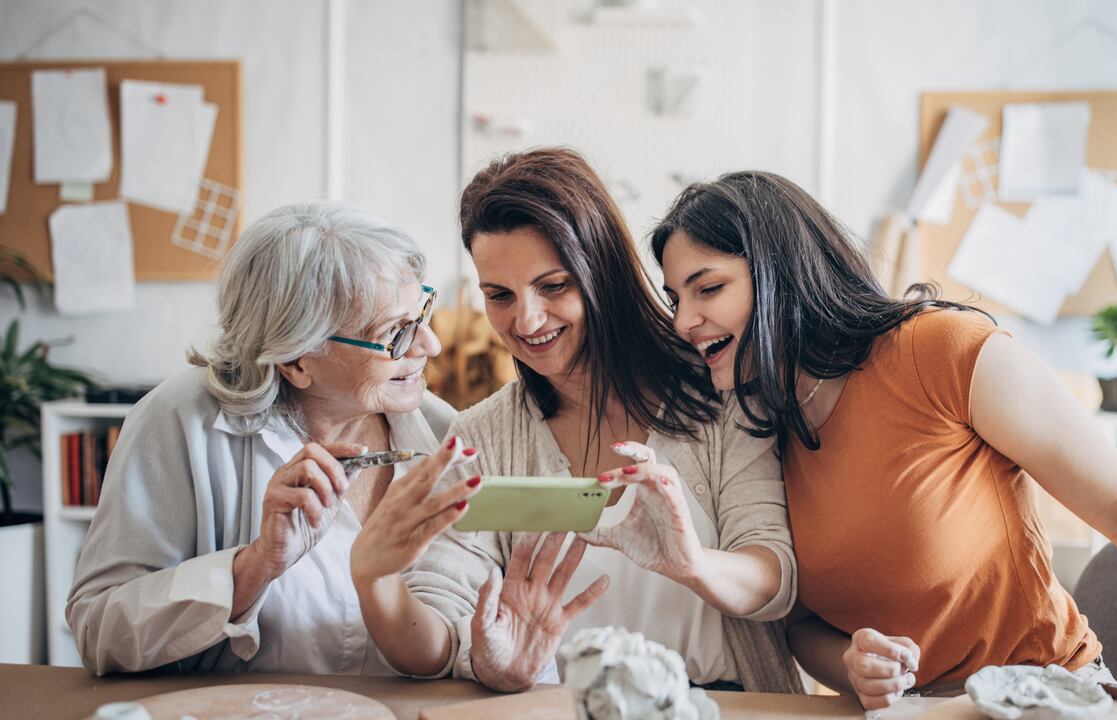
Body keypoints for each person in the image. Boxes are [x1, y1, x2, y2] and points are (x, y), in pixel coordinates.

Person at [650, 170, 1117, 708]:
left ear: (781, 273)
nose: (684, 321)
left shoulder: (940, 352)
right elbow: (800, 622)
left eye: (709, 288)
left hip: (1042, 700)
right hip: (910, 716)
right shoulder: (762, 422)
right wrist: (853, 665)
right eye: (676, 298)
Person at [358, 147, 803, 694]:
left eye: (553, 286)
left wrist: (692, 563)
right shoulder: (480, 438)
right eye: (500, 295)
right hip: (561, 708)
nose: (527, 320)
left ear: (603, 273)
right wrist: (394, 594)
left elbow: (775, 575)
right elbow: (439, 630)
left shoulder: (721, 389)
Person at [66, 201, 488, 675]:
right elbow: (99, 632)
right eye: (395, 333)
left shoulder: (443, 432)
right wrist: (255, 565)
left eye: (422, 312)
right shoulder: (179, 422)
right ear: (296, 361)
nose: (430, 345)